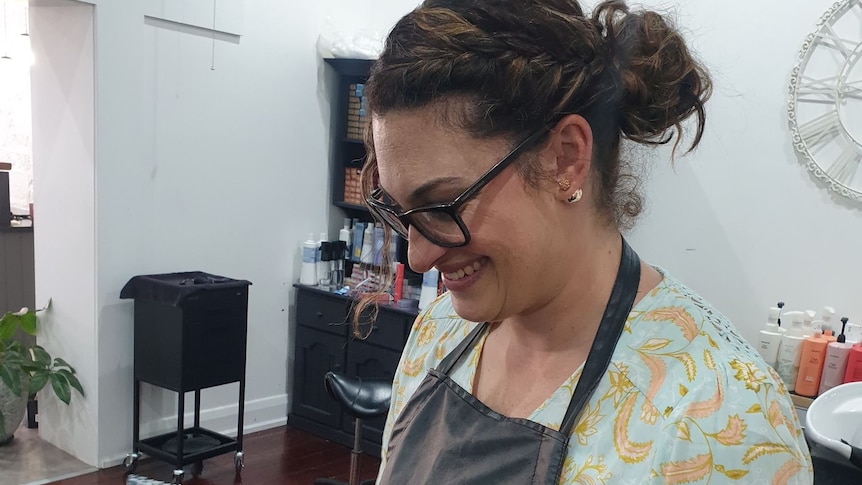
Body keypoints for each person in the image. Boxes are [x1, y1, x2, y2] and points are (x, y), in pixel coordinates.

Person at [357, 0, 813, 483]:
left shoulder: (719, 419)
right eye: (400, 211)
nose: (420, 256)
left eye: (444, 204)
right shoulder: (440, 330)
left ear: (564, 159)